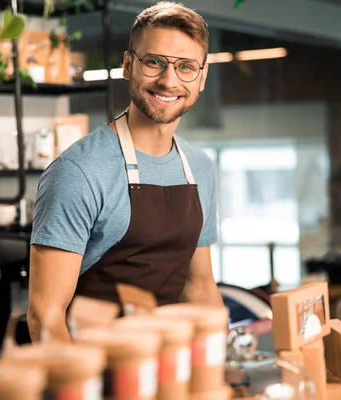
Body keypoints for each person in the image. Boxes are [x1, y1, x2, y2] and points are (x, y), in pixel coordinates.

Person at [27, 1, 224, 343]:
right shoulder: (79, 171)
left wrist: (216, 370)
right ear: (128, 65)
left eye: (186, 67)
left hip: (166, 374)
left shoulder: (200, 169)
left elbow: (201, 288)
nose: (168, 80)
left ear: (202, 77)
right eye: (154, 62)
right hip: (91, 375)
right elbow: (45, 315)